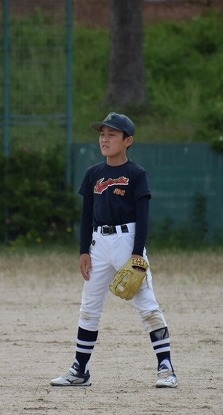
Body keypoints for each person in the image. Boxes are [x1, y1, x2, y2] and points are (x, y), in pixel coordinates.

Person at [50, 112, 178, 389]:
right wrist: (84, 250)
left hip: (127, 241)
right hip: (98, 243)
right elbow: (86, 215)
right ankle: (80, 370)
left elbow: (143, 217)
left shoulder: (136, 174)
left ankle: (166, 368)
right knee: (89, 308)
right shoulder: (93, 173)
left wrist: (137, 254)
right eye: (102, 134)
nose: (104, 139)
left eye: (112, 134)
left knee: (147, 305)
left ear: (127, 141)